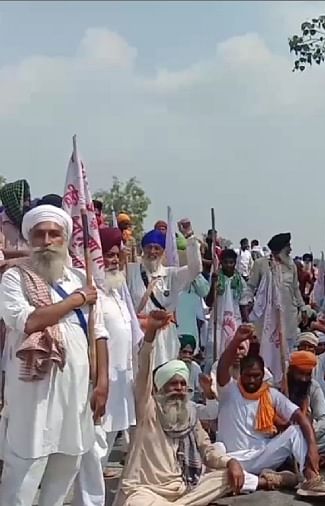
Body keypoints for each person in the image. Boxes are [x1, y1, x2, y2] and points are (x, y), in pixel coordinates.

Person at [0, 205, 109, 506]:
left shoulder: (78, 278)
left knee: (67, 464)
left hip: (74, 392)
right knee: (24, 468)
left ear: (65, 239)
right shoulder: (15, 279)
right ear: (29, 239)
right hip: (32, 392)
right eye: (39, 234)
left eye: (54, 234)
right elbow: (30, 321)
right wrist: (78, 300)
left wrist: (102, 383)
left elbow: (98, 332)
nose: (47, 240)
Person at [112, 310, 255, 505]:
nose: (179, 389)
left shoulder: (190, 415)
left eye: (182, 384)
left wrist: (230, 462)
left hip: (182, 488)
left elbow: (207, 450)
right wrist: (151, 333)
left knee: (227, 475)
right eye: (173, 384)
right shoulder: (147, 407)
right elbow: (144, 367)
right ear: (160, 387)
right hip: (145, 491)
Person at [214, 326, 325, 498]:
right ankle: (270, 480)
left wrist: (312, 448)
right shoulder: (228, 391)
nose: (252, 380)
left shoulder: (271, 394)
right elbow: (222, 367)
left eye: (256, 375)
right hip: (232, 461)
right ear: (240, 374)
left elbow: (300, 418)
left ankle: (311, 479)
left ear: (262, 375)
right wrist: (236, 339)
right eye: (248, 375)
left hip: (262, 455)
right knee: (214, 476)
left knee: (296, 430)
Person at [73, 227, 137, 506]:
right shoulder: (91, 291)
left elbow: (131, 333)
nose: (114, 260)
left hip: (121, 385)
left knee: (105, 448)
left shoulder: (118, 289)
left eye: (117, 255)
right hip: (99, 384)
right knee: (94, 453)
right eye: (108, 255)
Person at [126, 222, 201, 368]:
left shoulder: (171, 275)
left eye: (157, 248)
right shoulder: (131, 271)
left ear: (163, 251)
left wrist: (190, 238)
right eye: (149, 247)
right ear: (143, 249)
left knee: (164, 375)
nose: (152, 251)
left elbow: (195, 268)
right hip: (139, 332)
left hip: (165, 336)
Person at [248, 232, 305, 354]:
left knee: (286, 349)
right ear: (280, 249)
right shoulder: (260, 264)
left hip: (288, 314)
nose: (290, 250)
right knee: (267, 348)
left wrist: (303, 307)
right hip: (266, 315)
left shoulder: (292, 266)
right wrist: (247, 306)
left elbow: (295, 289)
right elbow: (251, 287)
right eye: (288, 247)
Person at [285, 350, 325, 456]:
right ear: (291, 371)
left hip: (311, 433)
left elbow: (324, 418)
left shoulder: (313, 386)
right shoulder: (280, 387)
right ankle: (301, 453)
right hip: (285, 436)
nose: (304, 379)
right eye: (300, 373)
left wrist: (310, 433)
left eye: (308, 374)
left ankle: (300, 453)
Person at [205, 248, 251, 348]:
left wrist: (247, 323)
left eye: (231, 262)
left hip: (235, 320)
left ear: (235, 263)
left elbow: (243, 305)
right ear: (221, 263)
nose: (229, 265)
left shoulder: (241, 282)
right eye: (226, 262)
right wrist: (213, 284)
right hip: (217, 321)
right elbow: (208, 302)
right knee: (215, 348)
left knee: (233, 349)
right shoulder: (215, 278)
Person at [0, 179, 31, 256]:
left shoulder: (32, 221)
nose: (27, 204)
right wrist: (25, 254)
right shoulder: (1, 222)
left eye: (28, 199)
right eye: (23, 200)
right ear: (12, 201)